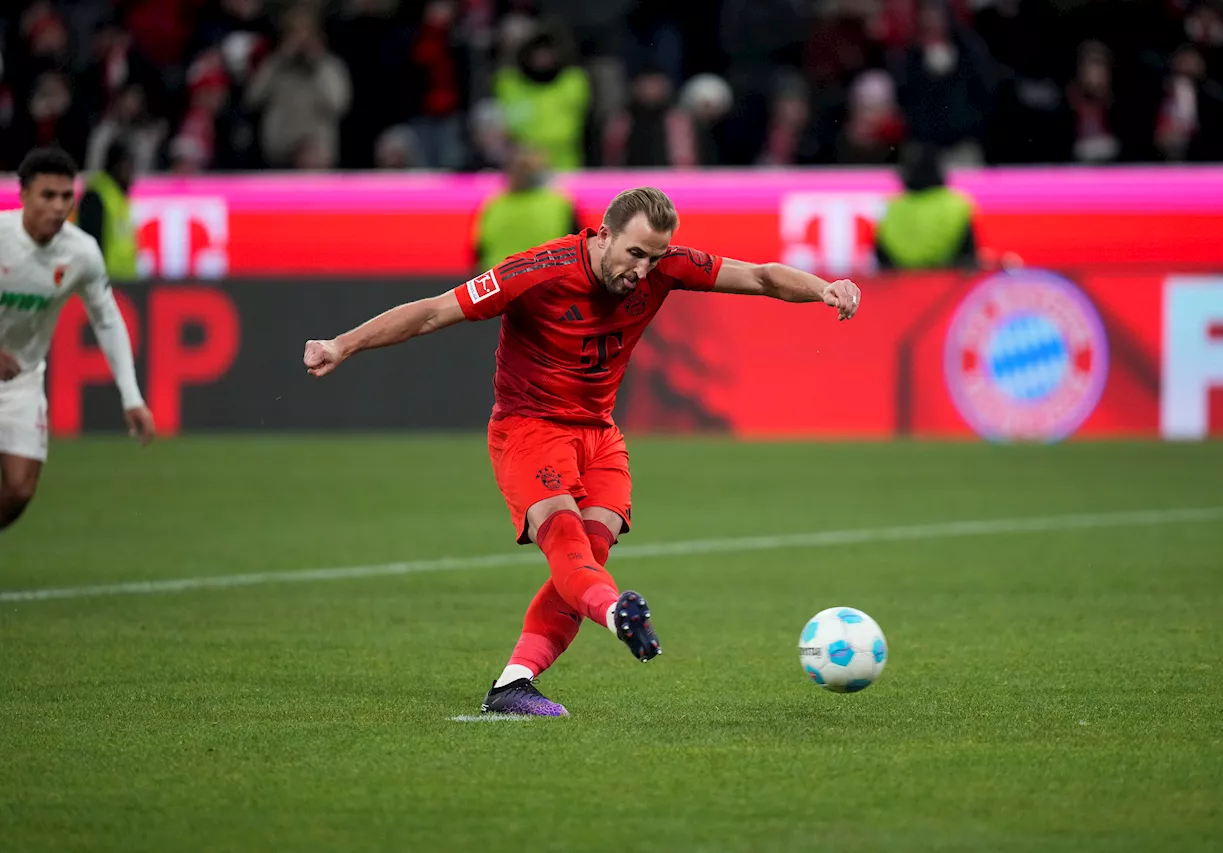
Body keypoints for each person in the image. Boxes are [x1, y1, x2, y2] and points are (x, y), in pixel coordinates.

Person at [302, 187, 860, 716]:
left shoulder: (665, 266)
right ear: (602, 236)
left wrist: (824, 288)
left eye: (654, 257)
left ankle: (513, 684)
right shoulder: (534, 272)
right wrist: (341, 344)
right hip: (528, 429)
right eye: (634, 253)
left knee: (590, 555)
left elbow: (762, 276)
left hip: (599, 434)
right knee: (567, 543)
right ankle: (617, 616)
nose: (642, 269)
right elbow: (431, 312)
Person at [0, 147, 155, 531]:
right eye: (47, 196)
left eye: (66, 196)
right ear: (24, 196)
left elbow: (106, 319)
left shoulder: (81, 252)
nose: (58, 206)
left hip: (21, 378)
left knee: (19, 491)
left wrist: (131, 396)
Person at [472, 146, 579, 274]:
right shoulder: (559, 204)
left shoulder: (493, 205)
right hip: (546, 283)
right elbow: (580, 250)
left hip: (497, 283)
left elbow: (478, 252)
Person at [874, 142, 979, 271]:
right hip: (946, 284)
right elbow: (967, 255)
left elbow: (882, 258)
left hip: (901, 286)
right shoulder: (957, 204)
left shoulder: (891, 207)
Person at [75, 140, 139, 282]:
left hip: (125, 282)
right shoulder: (96, 196)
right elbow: (91, 243)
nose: (132, 174)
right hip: (105, 282)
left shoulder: (118, 197)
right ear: (117, 166)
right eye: (129, 167)